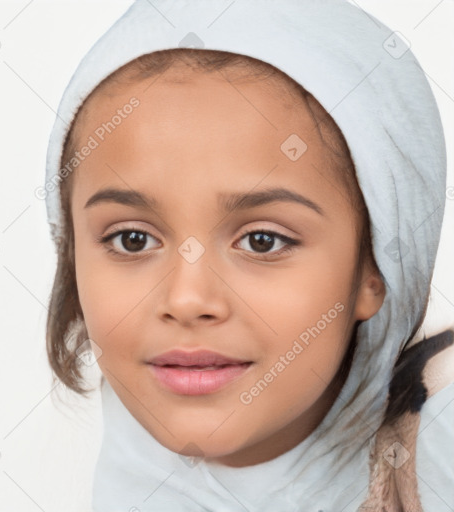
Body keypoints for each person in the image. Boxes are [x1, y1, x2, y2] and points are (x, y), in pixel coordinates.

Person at [42, 1, 454, 510]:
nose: (188, 299)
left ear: (373, 267)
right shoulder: (134, 466)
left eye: (263, 241)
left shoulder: (441, 442)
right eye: (133, 239)